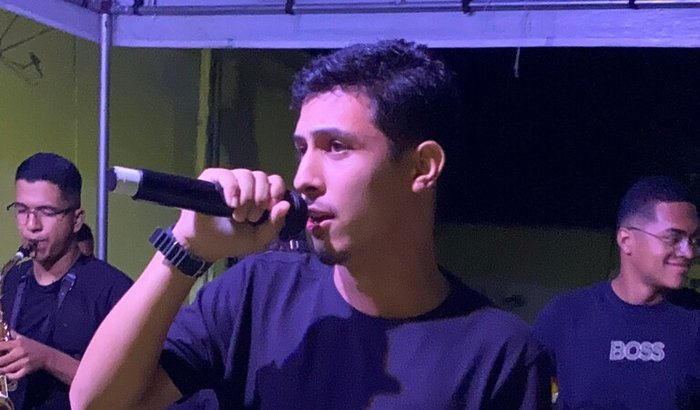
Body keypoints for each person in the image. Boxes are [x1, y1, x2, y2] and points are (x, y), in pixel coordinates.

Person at [70, 39, 551, 409]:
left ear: (421, 167)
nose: (303, 178)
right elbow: (94, 403)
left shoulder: (499, 353)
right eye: (302, 149)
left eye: (336, 147)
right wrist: (187, 248)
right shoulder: (256, 294)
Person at [533, 175, 700, 408]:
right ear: (626, 240)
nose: (688, 252)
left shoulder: (694, 320)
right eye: (674, 238)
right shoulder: (565, 315)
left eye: (694, 240)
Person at [0, 152, 133, 409]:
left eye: (46, 212)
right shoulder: (11, 279)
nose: (31, 225)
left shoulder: (113, 289)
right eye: (22, 210)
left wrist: (47, 358)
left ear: (77, 220)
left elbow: (129, 389)